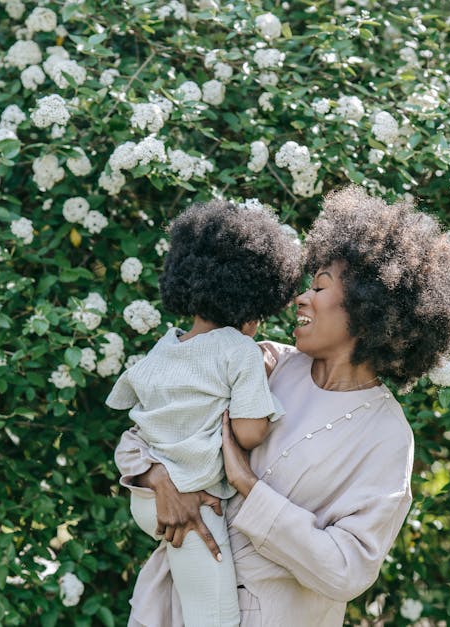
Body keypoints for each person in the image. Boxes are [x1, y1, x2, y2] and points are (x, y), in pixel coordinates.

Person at [115, 186, 450, 626]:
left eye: (319, 286)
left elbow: (347, 570)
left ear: (370, 308)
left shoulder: (386, 437)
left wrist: (249, 487)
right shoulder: (262, 362)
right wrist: (161, 482)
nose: (300, 299)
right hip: (167, 610)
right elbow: (148, 430)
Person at [106, 199, 303, 627]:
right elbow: (249, 434)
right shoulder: (239, 350)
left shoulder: (166, 346)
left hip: (146, 495)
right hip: (193, 504)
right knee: (214, 616)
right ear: (254, 305)